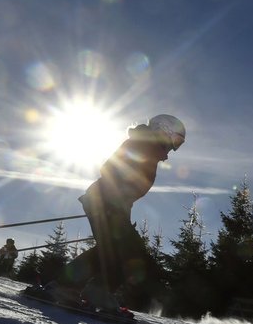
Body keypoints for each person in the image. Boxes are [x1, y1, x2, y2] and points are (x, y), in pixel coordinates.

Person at [53, 114, 186, 310]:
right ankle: (89, 289)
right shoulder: (142, 144)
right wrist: (115, 198)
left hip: (111, 204)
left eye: (179, 143)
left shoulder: (149, 149)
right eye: (175, 140)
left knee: (112, 250)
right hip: (105, 201)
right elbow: (109, 168)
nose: (174, 147)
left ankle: (75, 287)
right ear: (163, 130)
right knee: (130, 252)